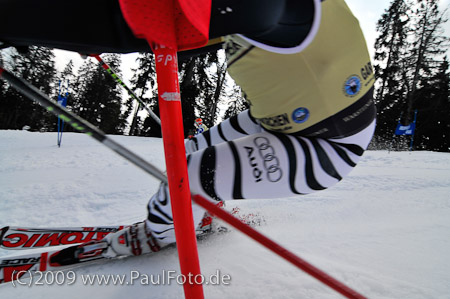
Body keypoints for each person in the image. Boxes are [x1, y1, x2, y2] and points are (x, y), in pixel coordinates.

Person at [0, 0, 376, 256]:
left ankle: (158, 236)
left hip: (326, 147)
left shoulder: (268, 6)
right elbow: (175, 33)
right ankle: (202, 211)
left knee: (190, 174)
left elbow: (128, 23)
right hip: (285, 116)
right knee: (190, 149)